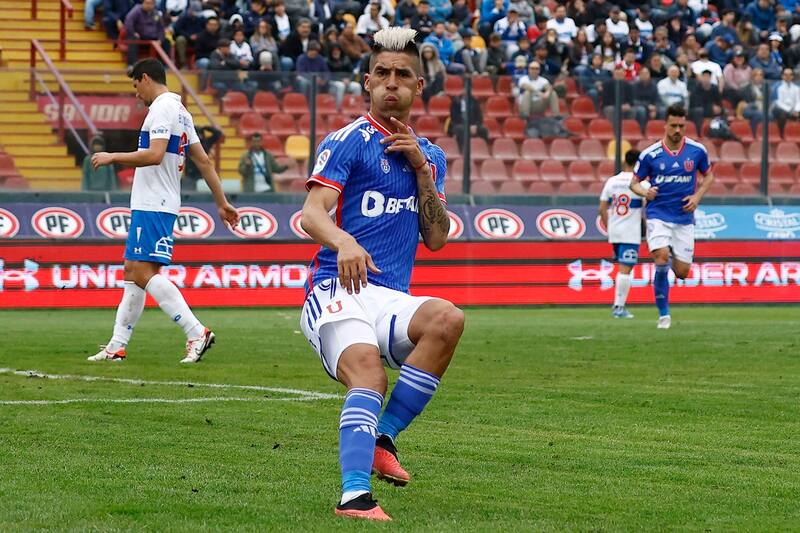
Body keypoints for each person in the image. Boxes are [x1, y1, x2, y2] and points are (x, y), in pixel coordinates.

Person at [299, 27, 464, 521]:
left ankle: (383, 437)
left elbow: (436, 238)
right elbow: (312, 213)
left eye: (403, 75)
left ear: (418, 87)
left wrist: (421, 171)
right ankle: (354, 497)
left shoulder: (431, 156)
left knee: (448, 319)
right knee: (368, 371)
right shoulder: (348, 141)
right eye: (383, 73)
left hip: (389, 296)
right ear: (367, 82)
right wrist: (344, 241)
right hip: (336, 288)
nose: (392, 82)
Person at [88, 58, 239, 362]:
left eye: (136, 86)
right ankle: (117, 345)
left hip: (153, 202)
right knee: (132, 272)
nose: (136, 93)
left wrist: (112, 156)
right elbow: (204, 161)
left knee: (143, 272)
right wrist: (221, 202)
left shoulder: (162, 108)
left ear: (145, 78)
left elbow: (155, 154)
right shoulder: (181, 111)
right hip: (158, 202)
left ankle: (196, 331)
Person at [630, 104, 715, 330]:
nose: (677, 130)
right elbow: (634, 183)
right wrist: (645, 192)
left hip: (684, 217)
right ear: (665, 125)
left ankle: (672, 256)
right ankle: (664, 315)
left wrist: (697, 197)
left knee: (682, 272)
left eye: (681, 126)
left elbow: (709, 176)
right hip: (658, 214)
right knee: (661, 257)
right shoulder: (650, 154)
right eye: (673, 125)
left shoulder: (697, 151)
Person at [599, 149, 644, 319]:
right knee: (625, 269)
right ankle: (619, 307)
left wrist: (609, 227)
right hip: (630, 232)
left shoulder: (612, 181)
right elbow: (648, 209)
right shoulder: (641, 183)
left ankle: (619, 305)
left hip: (615, 230)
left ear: (625, 161)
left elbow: (602, 207)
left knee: (624, 267)